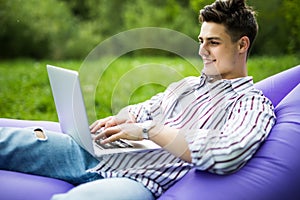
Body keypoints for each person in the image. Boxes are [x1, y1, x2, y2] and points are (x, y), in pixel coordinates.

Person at [0, 0, 276, 199]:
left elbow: (226, 153)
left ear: (242, 45)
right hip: (96, 153)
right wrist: (125, 118)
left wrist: (150, 129)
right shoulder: (188, 85)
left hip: (139, 180)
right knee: (6, 141)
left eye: (213, 43)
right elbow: (144, 109)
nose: (201, 51)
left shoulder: (251, 103)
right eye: (200, 40)